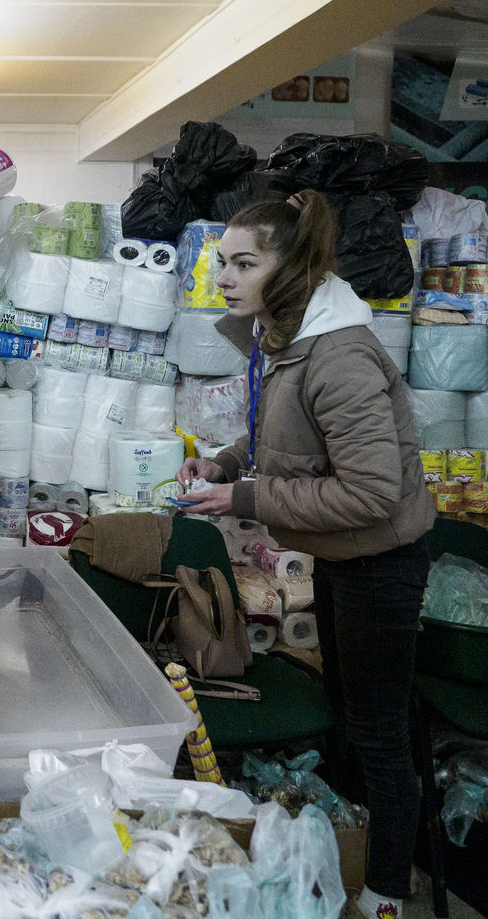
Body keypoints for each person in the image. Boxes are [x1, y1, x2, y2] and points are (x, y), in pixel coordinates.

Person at [176, 190, 434, 919]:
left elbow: (370, 492)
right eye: (221, 262)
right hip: (345, 556)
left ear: (291, 268)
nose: (224, 277)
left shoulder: (338, 355)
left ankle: (388, 891)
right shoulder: (284, 336)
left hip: (381, 560)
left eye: (243, 263)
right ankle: (352, 852)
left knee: (378, 730)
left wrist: (244, 498)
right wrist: (228, 462)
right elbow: (282, 435)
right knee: (349, 711)